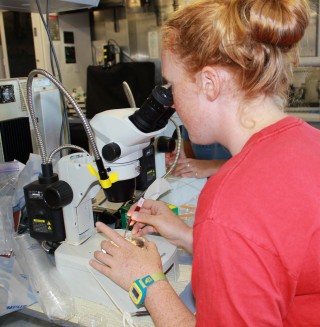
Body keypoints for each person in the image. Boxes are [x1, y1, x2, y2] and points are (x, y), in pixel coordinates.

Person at [90, 0, 320, 325]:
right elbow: (279, 253)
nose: (171, 101)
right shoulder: (310, 141)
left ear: (209, 83)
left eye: (173, 85)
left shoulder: (231, 203)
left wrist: (146, 282)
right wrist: (189, 237)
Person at [166, 125, 231, 178]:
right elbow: (191, 159)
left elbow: (241, 167)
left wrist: (211, 166)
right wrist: (181, 162)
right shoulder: (188, 120)